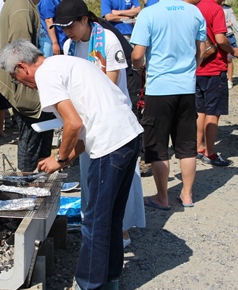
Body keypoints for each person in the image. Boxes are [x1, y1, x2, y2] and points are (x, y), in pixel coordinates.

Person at [1, 39, 143, 290]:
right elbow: (83, 127)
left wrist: (59, 157)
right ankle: (110, 280)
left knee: (95, 221)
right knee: (111, 217)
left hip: (110, 145)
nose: (23, 84)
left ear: (22, 67)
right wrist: (63, 159)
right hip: (129, 136)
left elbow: (73, 124)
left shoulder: (45, 74)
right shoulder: (66, 62)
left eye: (18, 79)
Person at [51, 0, 144, 248]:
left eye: (70, 26)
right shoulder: (70, 46)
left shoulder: (108, 41)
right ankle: (93, 228)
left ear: (85, 20)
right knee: (92, 179)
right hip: (86, 123)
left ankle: (122, 231)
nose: (67, 32)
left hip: (112, 122)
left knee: (118, 182)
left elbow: (109, 86)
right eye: (62, 28)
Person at [130, 0, 206, 209]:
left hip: (159, 87)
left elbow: (137, 54)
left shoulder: (150, 13)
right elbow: (202, 48)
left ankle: (162, 197)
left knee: (158, 145)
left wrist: (138, 67)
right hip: (186, 86)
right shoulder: (195, 11)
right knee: (187, 145)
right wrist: (192, 69)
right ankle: (187, 195)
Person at [0, 0, 54, 172]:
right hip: (27, 83)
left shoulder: (24, 4)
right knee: (32, 134)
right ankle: (28, 183)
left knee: (43, 131)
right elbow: (21, 56)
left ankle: (42, 178)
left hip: (33, 80)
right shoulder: (21, 6)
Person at [196, 0, 238, 167]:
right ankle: (210, 153)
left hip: (196, 67)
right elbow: (221, 39)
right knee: (213, 112)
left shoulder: (195, 6)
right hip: (214, 68)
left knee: (200, 110)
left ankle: (199, 147)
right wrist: (233, 51)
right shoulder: (215, 9)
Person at [221, 0, 238, 90]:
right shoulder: (213, 7)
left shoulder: (228, 8)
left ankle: (230, 80)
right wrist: (227, 24)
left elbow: (234, 22)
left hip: (228, 35)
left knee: (229, 59)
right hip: (218, 35)